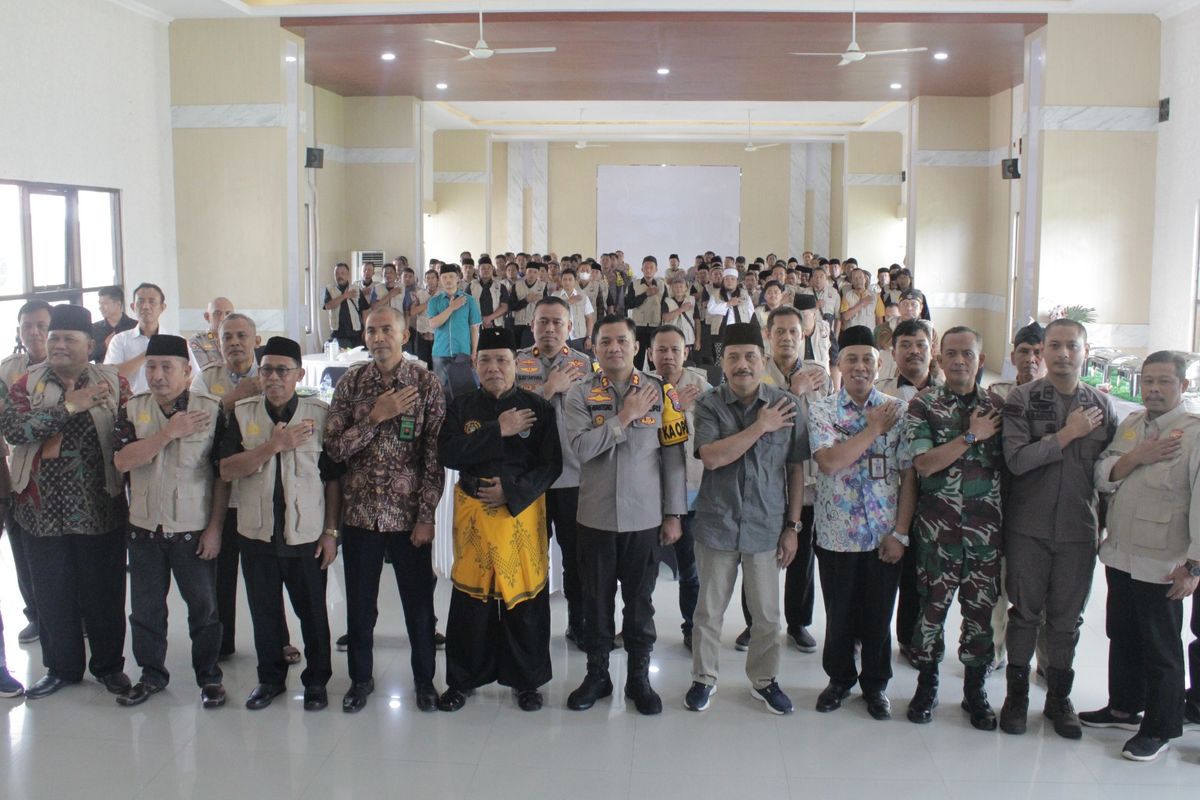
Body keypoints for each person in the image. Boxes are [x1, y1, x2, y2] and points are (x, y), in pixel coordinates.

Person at [0, 304, 132, 699]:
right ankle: (61, 668)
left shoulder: (114, 383)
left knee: (104, 592)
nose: (57, 344)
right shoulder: (26, 384)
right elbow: (15, 429)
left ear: (89, 344)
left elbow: (129, 432)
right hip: (39, 511)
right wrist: (72, 405)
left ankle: (109, 667)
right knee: (51, 593)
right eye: (53, 337)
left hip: (100, 508)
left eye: (68, 339)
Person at [1074, 351, 1200, 761]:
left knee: (1160, 647)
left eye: (1164, 382)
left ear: (1183, 386)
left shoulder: (1194, 433)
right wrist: (1137, 457)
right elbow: (1102, 474)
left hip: (1163, 559)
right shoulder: (1131, 425)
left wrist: (1195, 565)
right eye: (1148, 381)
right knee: (1121, 633)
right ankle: (1124, 706)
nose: (1154, 389)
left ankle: (1161, 727)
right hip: (1122, 551)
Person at [324, 306, 446, 713]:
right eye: (372, 331)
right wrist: (376, 417)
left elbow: (433, 458)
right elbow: (334, 449)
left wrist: (426, 516)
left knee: (419, 607)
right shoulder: (352, 383)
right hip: (360, 515)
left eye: (387, 330)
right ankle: (360, 679)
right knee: (360, 607)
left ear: (405, 334)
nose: (379, 338)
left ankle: (425, 681)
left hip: (409, 518)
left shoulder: (427, 384)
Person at [563, 315, 688, 715]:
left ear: (637, 348)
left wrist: (674, 514)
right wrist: (623, 418)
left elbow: (673, 458)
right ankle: (597, 675)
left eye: (622, 341)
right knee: (595, 601)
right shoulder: (579, 394)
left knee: (640, 603)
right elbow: (580, 449)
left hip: (645, 518)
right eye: (605, 342)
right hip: (595, 517)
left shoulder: (661, 393)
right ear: (593, 348)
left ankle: (639, 677)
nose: (614, 348)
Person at [998, 318, 1117, 738]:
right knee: (1024, 614)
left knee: (1067, 620)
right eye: (1054, 346)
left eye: (1071, 346)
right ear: (1042, 351)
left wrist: (1107, 528)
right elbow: (1016, 460)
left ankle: (1057, 698)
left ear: (1085, 351)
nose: (1063, 354)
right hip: (1028, 525)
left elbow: (1109, 476)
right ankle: (1015, 698)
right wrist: (1066, 435)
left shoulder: (1104, 407)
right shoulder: (1022, 400)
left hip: (1078, 530)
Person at [435, 328, 563, 712]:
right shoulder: (461, 406)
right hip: (474, 515)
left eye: (502, 360)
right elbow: (448, 452)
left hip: (520, 516)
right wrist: (498, 430)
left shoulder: (537, 408)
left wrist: (513, 491)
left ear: (516, 364)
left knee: (524, 601)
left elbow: (551, 465)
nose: (494, 368)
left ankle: (526, 681)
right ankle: (462, 679)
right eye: (486, 360)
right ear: (475, 365)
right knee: (470, 602)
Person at [685, 323, 808, 715]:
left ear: (764, 360)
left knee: (768, 616)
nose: (742, 365)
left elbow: (795, 470)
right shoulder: (708, 404)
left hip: (766, 525)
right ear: (722, 362)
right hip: (717, 523)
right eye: (733, 357)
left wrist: (792, 527)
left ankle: (764, 681)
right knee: (709, 612)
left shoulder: (786, 404)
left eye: (750, 357)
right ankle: (704, 679)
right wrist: (760, 426)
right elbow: (713, 456)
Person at [218, 336, 342, 712]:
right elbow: (226, 469)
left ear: (299, 374)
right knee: (264, 612)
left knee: (313, 613)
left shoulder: (319, 414)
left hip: (305, 534)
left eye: (282, 370)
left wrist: (332, 532)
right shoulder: (242, 414)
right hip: (256, 532)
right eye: (266, 369)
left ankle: (317, 681)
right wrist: (273, 446)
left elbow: (334, 479)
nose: (273, 377)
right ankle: (270, 679)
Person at [111, 334, 228, 709]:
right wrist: (167, 433)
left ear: (186, 371)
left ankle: (209, 677)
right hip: (144, 528)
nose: (158, 375)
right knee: (145, 609)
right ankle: (151, 674)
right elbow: (122, 461)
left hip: (192, 531)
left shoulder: (211, 410)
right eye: (151, 367)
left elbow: (222, 476)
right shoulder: (133, 409)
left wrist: (214, 529)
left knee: (204, 610)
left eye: (166, 367)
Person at [808, 325, 917, 720]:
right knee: (839, 615)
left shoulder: (899, 411)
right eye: (850, 359)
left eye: (866, 360)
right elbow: (830, 461)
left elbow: (908, 475)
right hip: (837, 534)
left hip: (883, 536)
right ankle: (839, 680)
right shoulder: (823, 409)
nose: (859, 367)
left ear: (879, 364)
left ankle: (875, 686)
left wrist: (901, 533)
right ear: (838, 364)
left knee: (878, 616)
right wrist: (872, 430)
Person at [901, 327, 1004, 730]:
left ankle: (974, 692)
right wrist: (971, 436)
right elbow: (923, 465)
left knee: (979, 615)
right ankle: (926, 687)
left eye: (968, 354)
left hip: (985, 536)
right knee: (931, 612)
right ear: (939, 360)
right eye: (951, 354)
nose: (959, 361)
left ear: (980, 359)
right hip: (936, 536)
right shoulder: (924, 406)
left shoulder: (999, 407)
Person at [514, 297, 592, 646]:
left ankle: (579, 622)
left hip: (574, 478)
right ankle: (532, 629)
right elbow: (515, 420)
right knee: (531, 558)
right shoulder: (516, 363)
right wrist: (548, 389)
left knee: (577, 558)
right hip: (531, 479)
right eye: (542, 322)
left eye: (557, 323)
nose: (549, 329)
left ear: (570, 328)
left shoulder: (586, 365)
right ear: (532, 325)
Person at [876, 318, 940, 666]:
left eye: (920, 344)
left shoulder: (951, 392)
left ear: (932, 349)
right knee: (882, 570)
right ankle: (870, 635)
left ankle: (911, 639)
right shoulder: (877, 391)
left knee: (921, 576)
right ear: (893, 351)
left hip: (934, 501)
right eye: (905, 345)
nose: (914, 351)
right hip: (886, 498)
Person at [987, 321, 1046, 673]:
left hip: (1042, 507)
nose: (1032, 359)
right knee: (996, 590)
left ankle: (1046, 662)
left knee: (1039, 593)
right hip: (999, 505)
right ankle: (993, 654)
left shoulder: (1065, 398)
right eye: (1024, 351)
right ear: (1012, 356)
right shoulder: (997, 394)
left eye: (1039, 352)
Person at [648, 324, 711, 650]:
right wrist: (670, 406)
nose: (668, 356)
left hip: (693, 494)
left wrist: (683, 409)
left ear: (686, 352)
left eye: (675, 350)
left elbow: (710, 439)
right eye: (662, 350)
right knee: (640, 573)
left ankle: (692, 629)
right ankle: (637, 628)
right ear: (650, 354)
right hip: (648, 496)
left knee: (691, 571)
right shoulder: (639, 387)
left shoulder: (703, 389)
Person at [0, 299, 53, 648]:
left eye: (40, 326)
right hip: (21, 473)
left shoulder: (67, 367)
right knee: (24, 551)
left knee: (60, 554)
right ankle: (36, 615)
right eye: (27, 326)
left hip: (61, 474)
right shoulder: (8, 369)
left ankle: (72, 616)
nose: (33, 332)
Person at [105, 282, 202, 395]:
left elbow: (194, 377)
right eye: (140, 301)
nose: (146, 306)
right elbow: (110, 377)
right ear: (132, 307)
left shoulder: (176, 341)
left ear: (162, 307)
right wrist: (150, 351)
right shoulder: (120, 340)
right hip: (131, 405)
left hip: (170, 405)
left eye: (152, 301)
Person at [427, 263, 482, 395]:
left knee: (464, 391)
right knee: (441, 393)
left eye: (451, 277)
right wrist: (452, 308)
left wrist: (474, 353)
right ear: (440, 280)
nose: (448, 280)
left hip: (462, 352)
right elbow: (433, 324)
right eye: (444, 277)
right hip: (440, 352)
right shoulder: (434, 301)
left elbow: (475, 328)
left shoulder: (470, 301)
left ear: (458, 278)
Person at [626, 256, 664, 371]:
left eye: (651, 267)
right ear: (641, 269)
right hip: (639, 327)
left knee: (654, 359)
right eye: (646, 267)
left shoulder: (662, 285)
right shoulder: (634, 284)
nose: (648, 270)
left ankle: (656, 383)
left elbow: (665, 305)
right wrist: (645, 294)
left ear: (656, 269)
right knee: (637, 358)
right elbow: (629, 303)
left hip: (655, 327)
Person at [90, 285, 137, 363]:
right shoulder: (94, 328)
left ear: (118, 303)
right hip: (103, 374)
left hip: (130, 373)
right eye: (100, 304)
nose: (100, 307)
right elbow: (86, 356)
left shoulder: (135, 326)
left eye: (104, 303)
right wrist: (104, 346)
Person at [323, 263, 364, 349]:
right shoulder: (329, 289)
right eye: (337, 273)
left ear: (348, 274)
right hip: (338, 334)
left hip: (356, 333)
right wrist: (345, 296)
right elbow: (328, 306)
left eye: (342, 273)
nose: (339, 276)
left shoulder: (356, 289)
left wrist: (367, 329)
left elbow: (365, 310)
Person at [553, 268, 595, 352]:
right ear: (561, 281)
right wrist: (569, 302)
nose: (567, 282)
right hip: (561, 337)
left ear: (575, 281)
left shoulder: (583, 296)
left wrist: (589, 337)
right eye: (564, 279)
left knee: (580, 363)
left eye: (570, 279)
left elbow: (589, 319)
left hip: (580, 338)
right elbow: (552, 314)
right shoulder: (555, 296)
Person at [661, 275, 699, 360]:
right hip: (671, 338)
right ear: (672, 288)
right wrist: (681, 309)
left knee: (688, 364)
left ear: (686, 288)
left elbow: (697, 321)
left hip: (688, 339)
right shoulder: (667, 301)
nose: (679, 289)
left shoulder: (692, 300)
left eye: (681, 286)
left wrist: (698, 339)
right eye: (676, 287)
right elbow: (665, 317)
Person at [188, 297, 234, 368]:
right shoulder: (198, 341)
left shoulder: (238, 340)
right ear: (207, 317)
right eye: (217, 313)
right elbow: (205, 373)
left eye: (228, 313)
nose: (222, 318)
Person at [470, 260, 510, 331]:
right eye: (483, 268)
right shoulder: (471, 286)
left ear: (492, 270)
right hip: (476, 325)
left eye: (489, 268)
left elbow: (504, 307)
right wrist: (482, 319)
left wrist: (489, 318)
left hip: (496, 325)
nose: (486, 270)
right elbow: (468, 306)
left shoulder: (501, 286)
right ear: (478, 271)